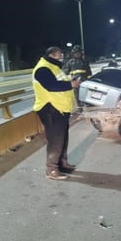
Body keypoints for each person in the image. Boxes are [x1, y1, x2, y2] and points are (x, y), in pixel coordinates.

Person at [32, 46, 80, 180]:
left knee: (63, 138)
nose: (61, 57)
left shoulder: (55, 67)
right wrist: (71, 85)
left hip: (61, 108)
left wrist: (71, 80)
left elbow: (60, 81)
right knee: (55, 140)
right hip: (50, 109)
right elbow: (51, 86)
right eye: (60, 55)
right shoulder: (43, 68)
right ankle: (51, 170)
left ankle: (62, 164)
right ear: (52, 55)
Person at [63, 45, 92, 109]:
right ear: (73, 53)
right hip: (75, 83)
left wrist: (89, 81)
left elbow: (89, 72)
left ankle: (88, 109)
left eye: (79, 52)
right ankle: (80, 110)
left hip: (84, 82)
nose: (77, 54)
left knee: (86, 97)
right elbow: (65, 72)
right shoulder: (70, 62)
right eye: (76, 53)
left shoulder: (85, 61)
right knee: (77, 98)